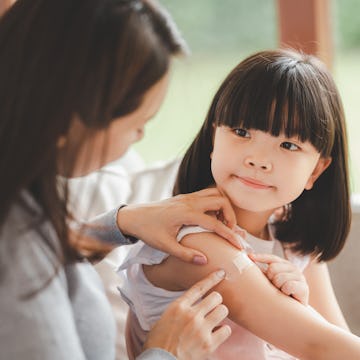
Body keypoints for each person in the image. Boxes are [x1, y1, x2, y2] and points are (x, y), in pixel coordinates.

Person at [0, 0, 243, 359]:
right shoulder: (16, 247)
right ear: (71, 117)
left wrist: (122, 223)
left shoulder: (20, 200)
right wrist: (167, 351)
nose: (141, 135)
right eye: (137, 122)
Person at [118, 49, 360, 359]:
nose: (258, 160)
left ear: (316, 170)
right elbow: (320, 346)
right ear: (212, 139)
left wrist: (302, 303)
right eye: (241, 131)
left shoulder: (292, 235)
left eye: (288, 144)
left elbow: (335, 337)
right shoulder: (197, 243)